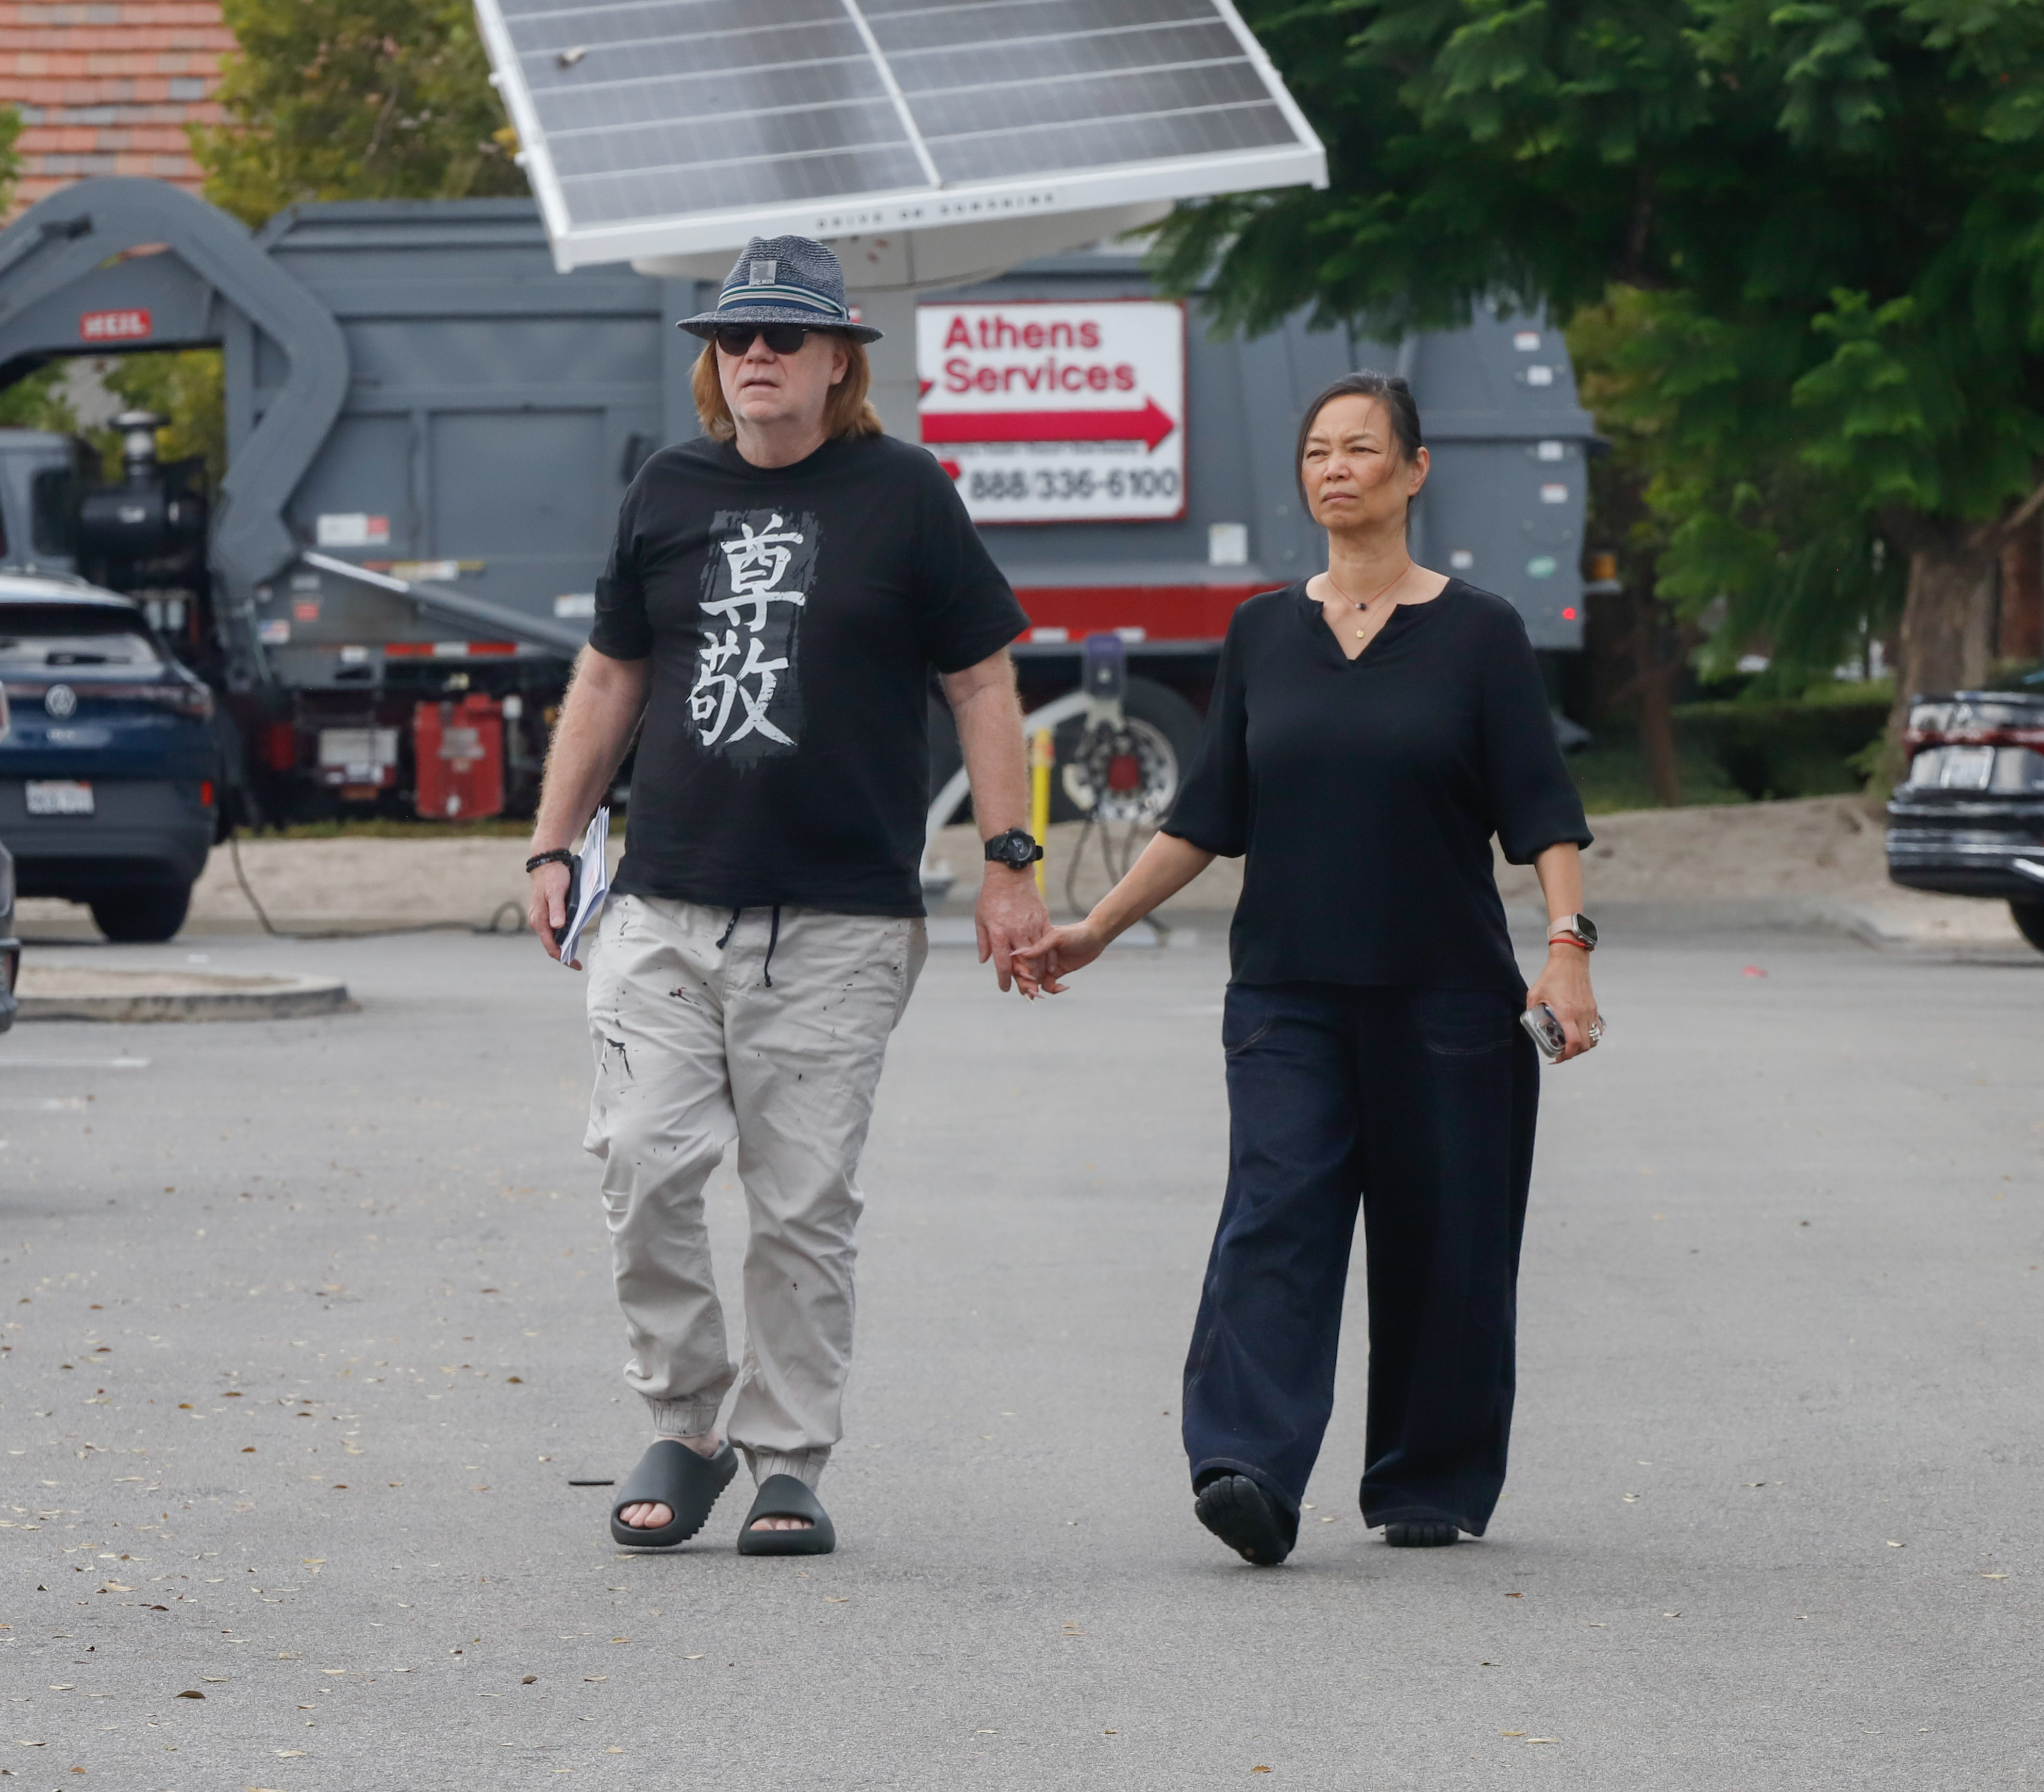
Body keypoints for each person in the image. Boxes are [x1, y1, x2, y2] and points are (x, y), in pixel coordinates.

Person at [1014, 372, 1601, 1564]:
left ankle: (1425, 1479)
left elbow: (1542, 815)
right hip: (1284, 992)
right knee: (1273, 1218)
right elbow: (1205, 814)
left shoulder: (1479, 632)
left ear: (1414, 469)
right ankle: (1247, 1465)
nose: (1334, 468)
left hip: (1447, 998)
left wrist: (1564, 951)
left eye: (1361, 449)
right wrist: (1095, 928)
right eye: (1316, 452)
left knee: (1448, 1245)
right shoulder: (1260, 631)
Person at [525, 236, 1050, 1557]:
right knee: (643, 1158)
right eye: (732, 337)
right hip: (664, 907)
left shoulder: (906, 492)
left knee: (802, 1202)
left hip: (841, 921)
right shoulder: (667, 486)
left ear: (836, 363)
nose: (752, 354)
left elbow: (982, 685)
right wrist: (552, 843)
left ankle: (787, 1457)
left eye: (782, 337)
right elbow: (608, 681)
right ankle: (686, 1422)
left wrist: (1008, 860)